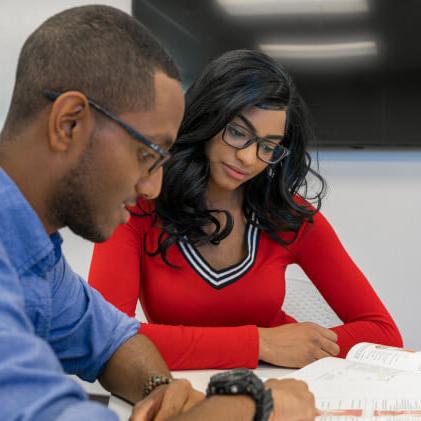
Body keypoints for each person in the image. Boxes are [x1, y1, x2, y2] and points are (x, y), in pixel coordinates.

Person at [0, 6, 317, 421]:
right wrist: (255, 407)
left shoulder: (38, 255)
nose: (152, 186)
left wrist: (161, 389)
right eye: (148, 154)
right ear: (69, 124)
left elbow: (113, 340)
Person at [89, 49, 403, 371]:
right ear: (206, 119)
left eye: (268, 146)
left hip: (283, 392)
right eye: (238, 133)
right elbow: (106, 336)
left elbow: (383, 332)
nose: (249, 159)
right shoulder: (137, 205)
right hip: (182, 396)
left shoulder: (289, 216)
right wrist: (261, 343)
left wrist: (298, 346)